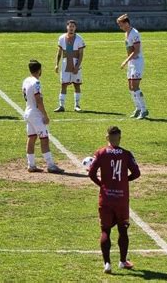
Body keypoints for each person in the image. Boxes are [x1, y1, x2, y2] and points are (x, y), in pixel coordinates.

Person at [88, 126, 140, 274]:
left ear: (107, 138)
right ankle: (123, 261)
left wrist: (102, 185)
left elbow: (91, 174)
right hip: (122, 199)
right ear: (120, 138)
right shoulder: (126, 154)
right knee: (123, 230)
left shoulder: (101, 153)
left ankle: (107, 264)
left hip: (106, 198)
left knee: (105, 230)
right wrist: (124, 181)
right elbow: (136, 173)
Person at [22, 60, 65, 174]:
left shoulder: (26, 80)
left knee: (31, 138)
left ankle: (31, 165)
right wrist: (45, 115)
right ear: (39, 70)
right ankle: (51, 165)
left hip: (28, 112)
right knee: (44, 139)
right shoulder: (36, 83)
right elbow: (39, 100)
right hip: (36, 114)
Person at [117, 14, 149, 120]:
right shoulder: (126, 33)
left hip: (137, 62)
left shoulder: (134, 34)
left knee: (135, 86)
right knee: (130, 87)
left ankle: (144, 110)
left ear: (126, 23)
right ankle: (138, 108)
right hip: (132, 62)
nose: (120, 27)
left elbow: (137, 51)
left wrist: (126, 61)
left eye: (121, 25)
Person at [54, 20, 86, 112]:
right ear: (67, 27)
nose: (71, 28)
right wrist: (56, 64)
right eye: (70, 26)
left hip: (75, 63)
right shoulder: (61, 38)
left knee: (76, 84)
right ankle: (61, 105)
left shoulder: (79, 39)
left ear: (75, 28)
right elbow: (59, 52)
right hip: (65, 63)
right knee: (63, 84)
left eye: (73, 26)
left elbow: (81, 54)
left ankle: (77, 105)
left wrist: (77, 66)